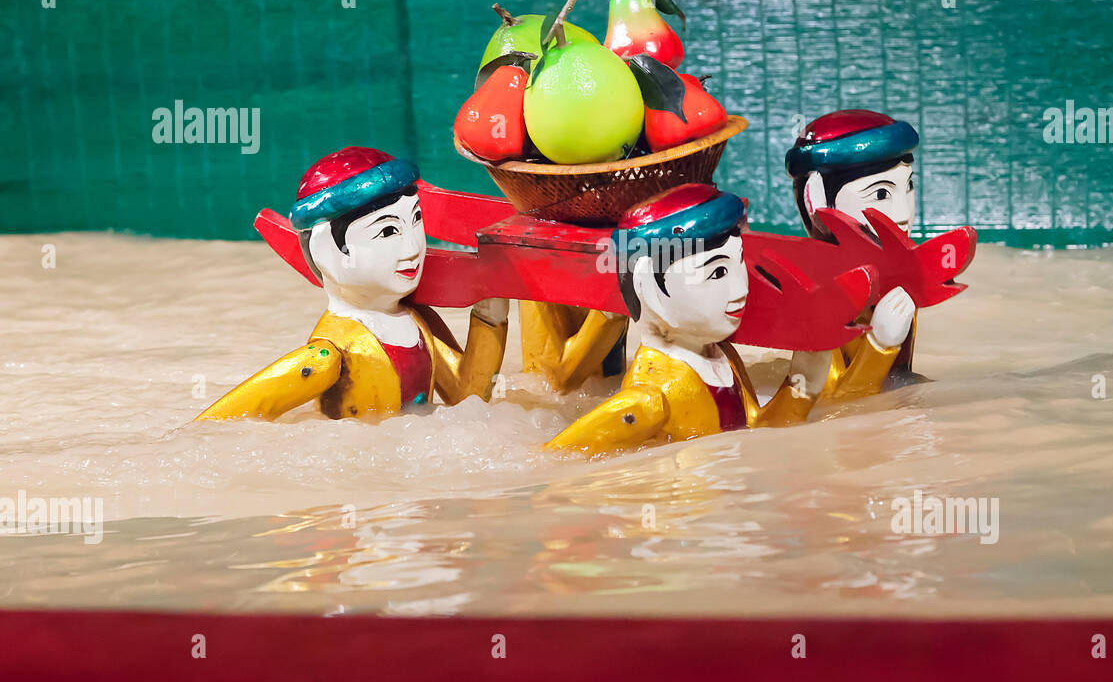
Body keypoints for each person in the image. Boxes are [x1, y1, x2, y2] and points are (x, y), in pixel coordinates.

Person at [196, 147, 508, 421]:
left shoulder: (418, 321)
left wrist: (490, 319)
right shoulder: (329, 355)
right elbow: (215, 425)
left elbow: (467, 400)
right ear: (327, 251)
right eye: (388, 232)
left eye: (415, 221)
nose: (413, 247)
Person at [547, 184, 830, 456]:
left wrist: (806, 378)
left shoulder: (721, 356)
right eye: (717, 273)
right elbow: (553, 464)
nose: (741, 290)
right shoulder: (650, 400)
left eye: (739, 262)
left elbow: (756, 431)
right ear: (649, 286)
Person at [785, 108, 926, 400]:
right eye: (881, 194)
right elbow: (830, 409)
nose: (904, 214)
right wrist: (880, 345)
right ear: (817, 201)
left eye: (909, 186)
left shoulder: (894, 277)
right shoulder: (818, 303)